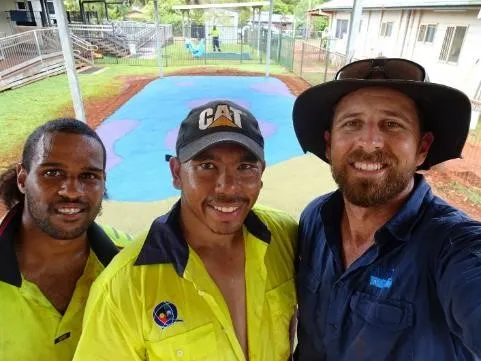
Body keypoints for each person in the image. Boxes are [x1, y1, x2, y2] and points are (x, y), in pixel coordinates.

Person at [73, 100, 298, 361]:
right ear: (177, 173)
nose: (227, 187)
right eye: (207, 167)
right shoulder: (123, 288)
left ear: (261, 174)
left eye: (245, 168)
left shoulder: (286, 237)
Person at [292, 57, 481, 361]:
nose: (370, 142)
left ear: (422, 147)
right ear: (329, 145)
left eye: (392, 124)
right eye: (352, 124)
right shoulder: (314, 217)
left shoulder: (454, 245)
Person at [0, 118, 131, 361]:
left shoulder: (131, 258)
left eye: (89, 175)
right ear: (22, 179)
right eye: (52, 172)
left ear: (103, 183)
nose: (71, 191)